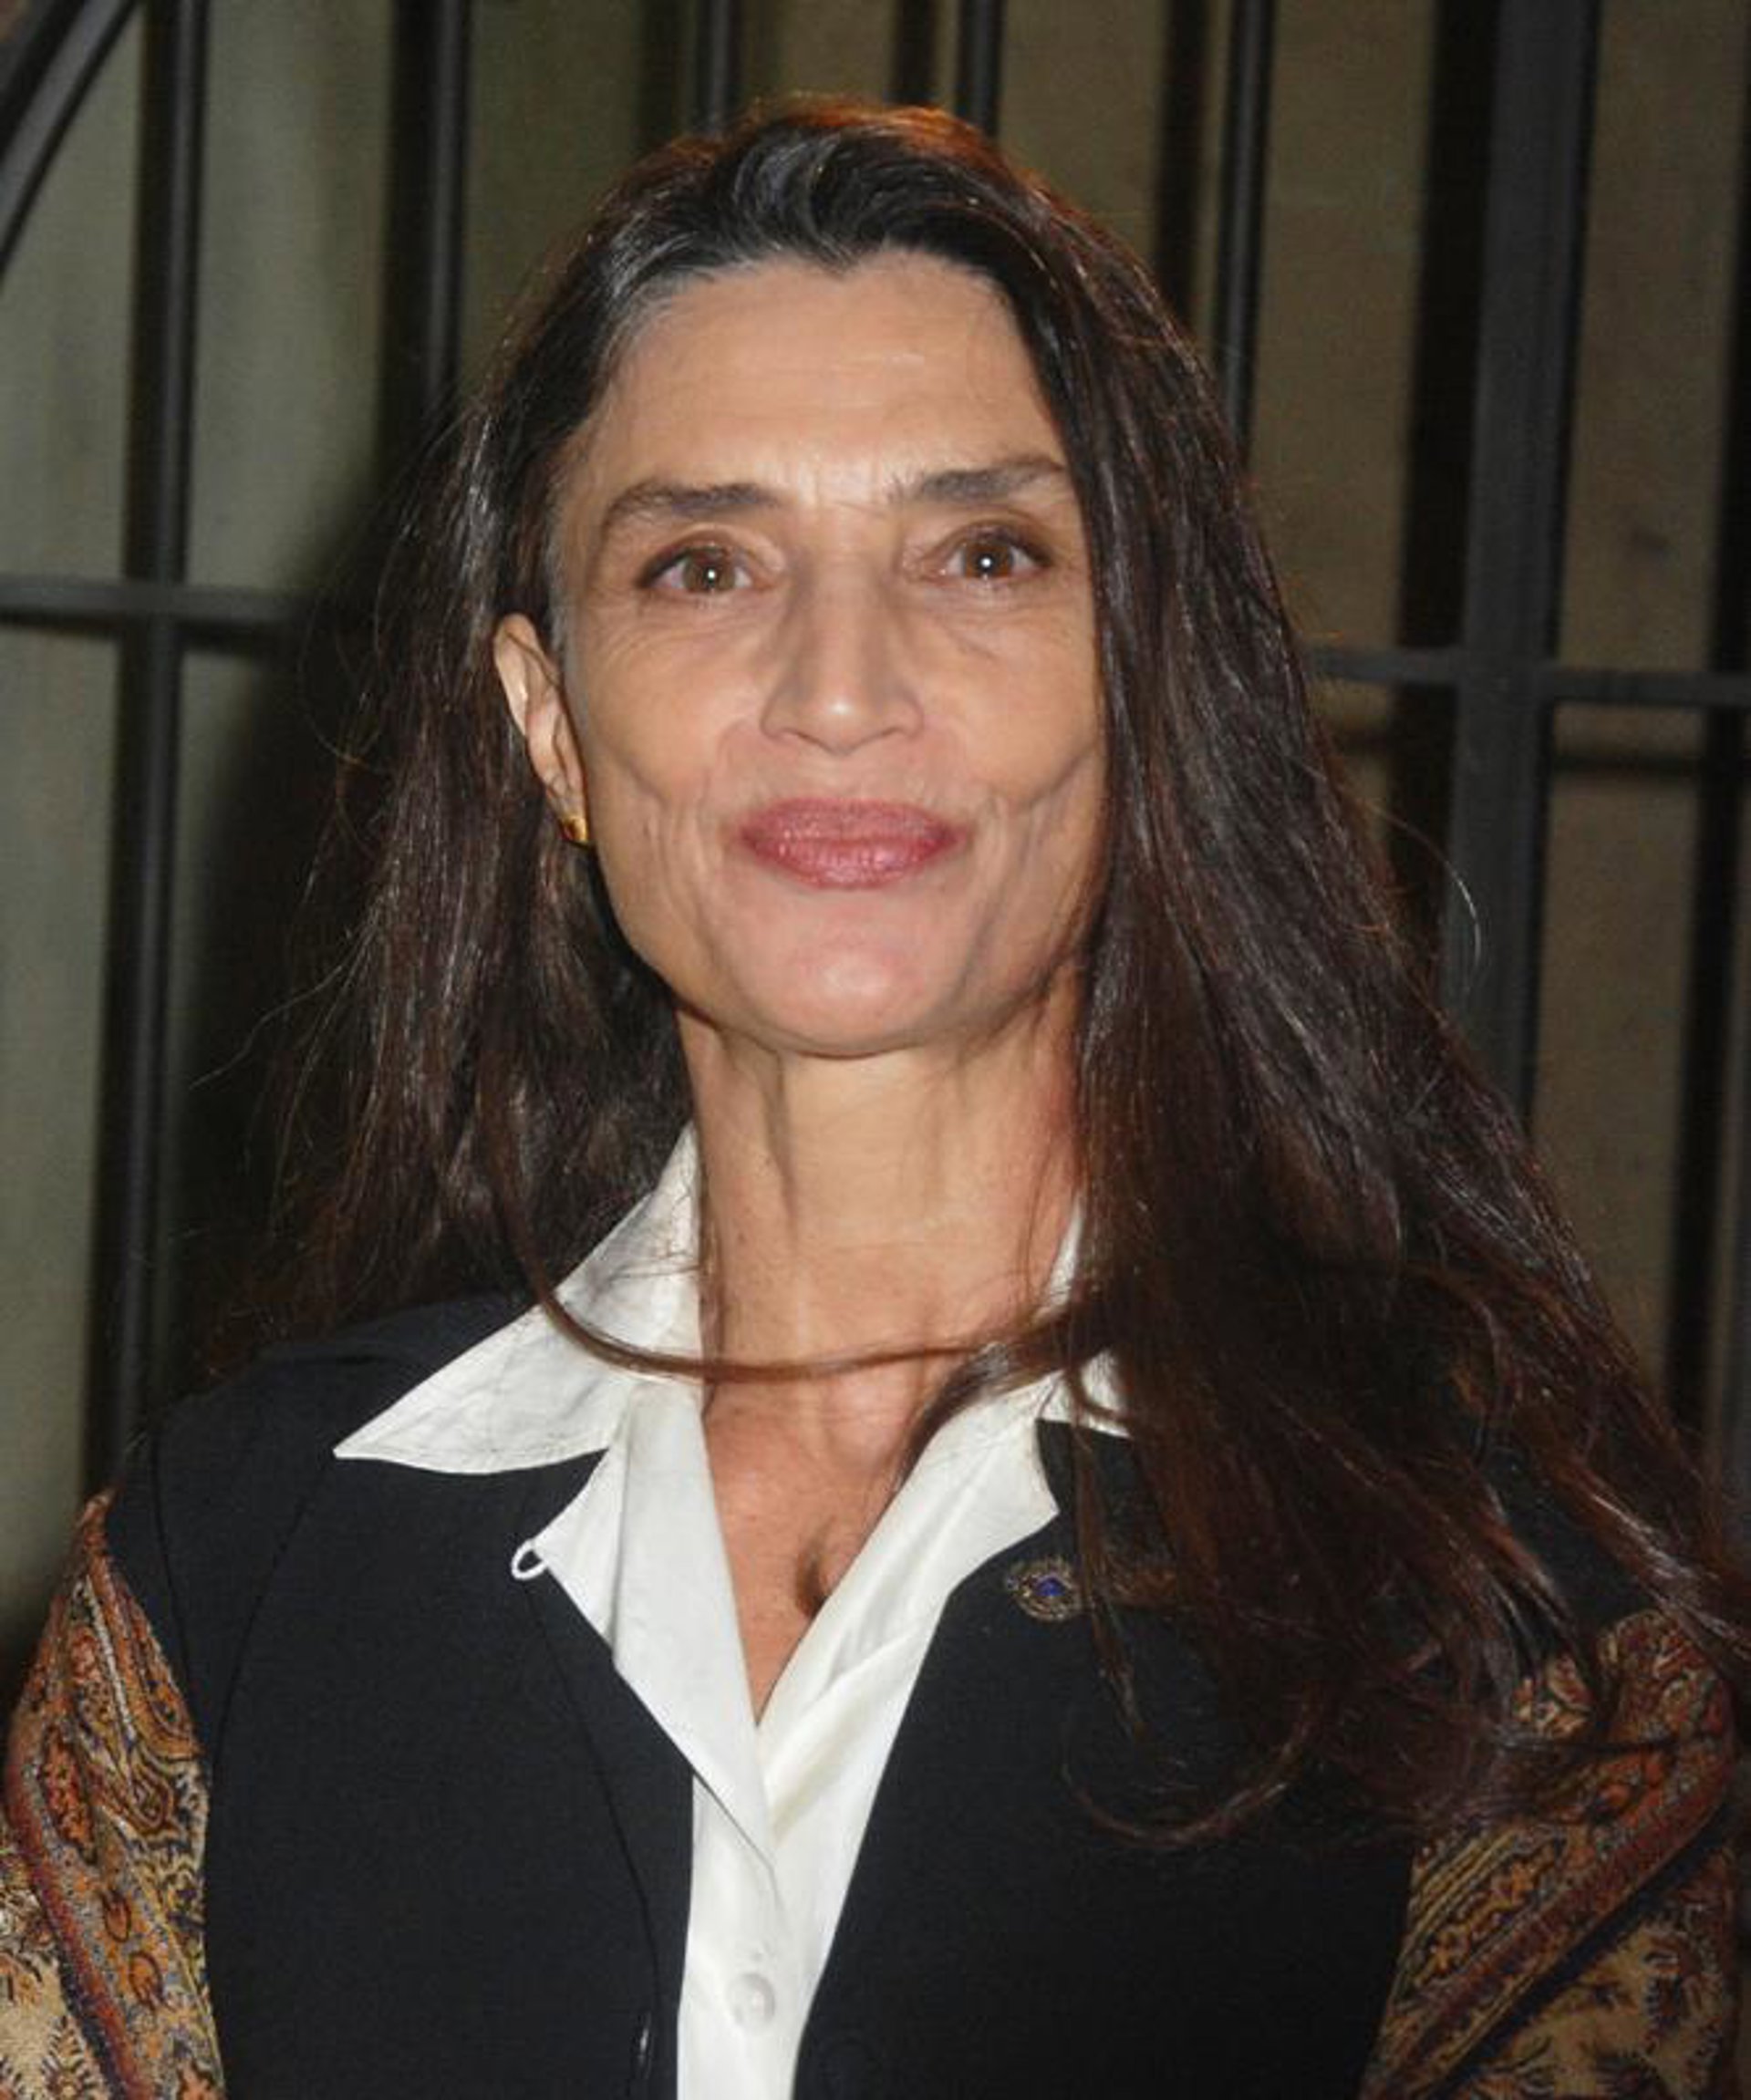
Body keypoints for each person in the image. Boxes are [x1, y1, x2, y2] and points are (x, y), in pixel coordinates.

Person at [2, 98, 1744, 2099]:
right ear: (551, 728)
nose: (841, 687)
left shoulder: (1499, 1601)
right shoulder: (229, 1565)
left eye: (982, 554)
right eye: (706, 565)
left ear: (1147, 683)